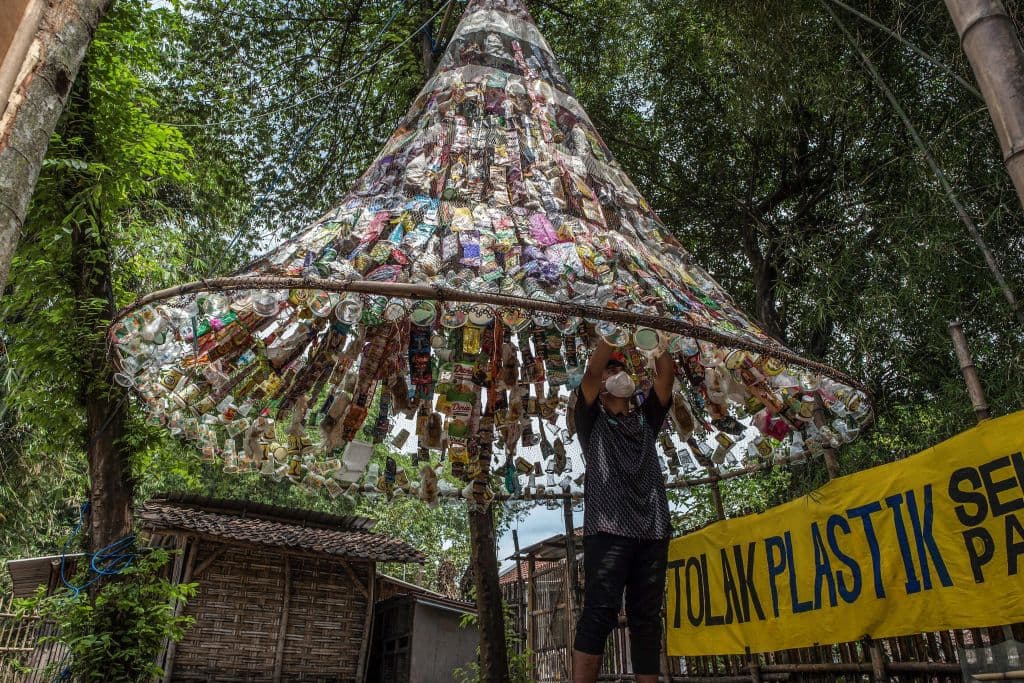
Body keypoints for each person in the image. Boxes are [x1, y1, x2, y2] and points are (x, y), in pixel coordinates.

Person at [572, 337, 675, 683]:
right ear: (601, 385)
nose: (618, 372)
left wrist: (653, 335)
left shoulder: (647, 419)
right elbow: (590, 373)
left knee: (647, 619)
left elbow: (666, 376)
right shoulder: (591, 419)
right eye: (611, 368)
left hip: (653, 530)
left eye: (621, 367)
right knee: (599, 613)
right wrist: (610, 336)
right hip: (607, 530)